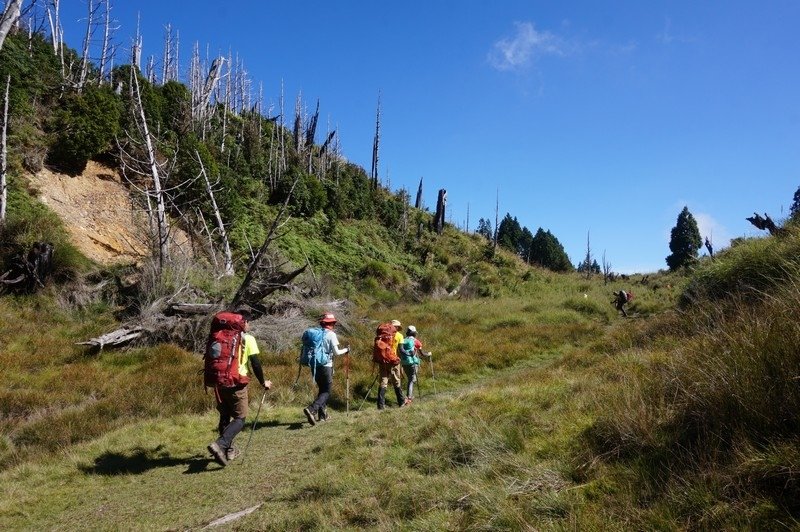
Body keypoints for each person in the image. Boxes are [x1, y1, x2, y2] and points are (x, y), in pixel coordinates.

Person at [207, 309, 272, 467]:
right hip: (237, 383)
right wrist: (263, 382)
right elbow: (255, 363)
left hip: (219, 383)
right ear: (245, 323)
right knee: (240, 419)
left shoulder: (218, 336)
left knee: (225, 416)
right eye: (248, 323)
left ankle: (227, 451)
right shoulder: (247, 339)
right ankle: (220, 444)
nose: (249, 326)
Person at [303, 312, 349, 426]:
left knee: (322, 390)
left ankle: (323, 416)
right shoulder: (331, 334)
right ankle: (312, 409)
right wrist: (347, 350)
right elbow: (337, 352)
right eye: (333, 323)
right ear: (332, 323)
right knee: (326, 392)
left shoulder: (317, 334)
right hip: (326, 366)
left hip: (315, 365)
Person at [377, 319, 407, 409]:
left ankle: (380, 405)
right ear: (397, 327)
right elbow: (401, 350)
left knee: (383, 381)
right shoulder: (399, 336)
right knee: (396, 381)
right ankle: (401, 402)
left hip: (383, 360)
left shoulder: (382, 334)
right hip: (393, 361)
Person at [399, 325, 423, 404]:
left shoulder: (403, 340)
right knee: (412, 380)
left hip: (404, 363)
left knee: (410, 379)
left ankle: (408, 395)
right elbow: (421, 353)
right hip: (413, 362)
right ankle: (409, 397)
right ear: (414, 333)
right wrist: (428, 354)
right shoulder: (416, 341)